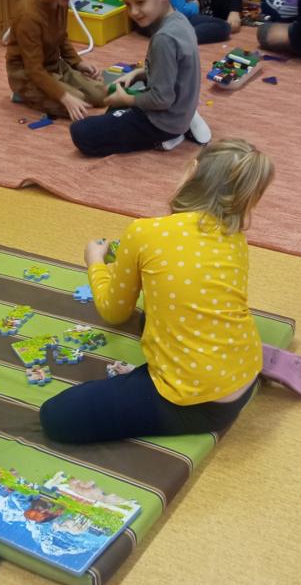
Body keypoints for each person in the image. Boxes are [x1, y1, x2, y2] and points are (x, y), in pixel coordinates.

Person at [39, 139, 274, 442]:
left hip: (200, 405)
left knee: (55, 416)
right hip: (245, 374)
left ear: (192, 171)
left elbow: (113, 311)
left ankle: (150, 383)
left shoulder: (144, 231)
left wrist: (95, 262)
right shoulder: (235, 237)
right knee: (150, 318)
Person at [71, 0, 211, 156]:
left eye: (140, 2)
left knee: (81, 132)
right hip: (178, 108)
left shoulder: (164, 39)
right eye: (128, 5)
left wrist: (128, 99)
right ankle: (182, 123)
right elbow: (173, 71)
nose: (133, 12)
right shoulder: (179, 20)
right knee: (113, 108)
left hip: (163, 122)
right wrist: (138, 74)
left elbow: (162, 99)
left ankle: (169, 136)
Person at [6, 0, 108, 122]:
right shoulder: (28, 15)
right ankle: (22, 94)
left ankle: (59, 89)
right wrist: (65, 97)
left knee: (100, 94)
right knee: (78, 103)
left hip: (55, 67)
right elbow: (34, 69)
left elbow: (61, 36)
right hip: (27, 75)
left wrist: (77, 63)